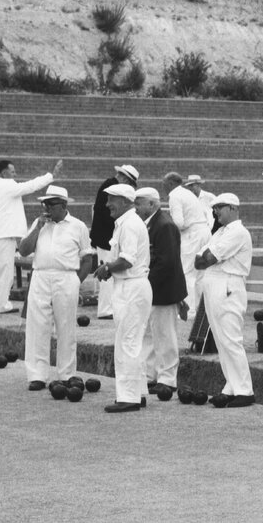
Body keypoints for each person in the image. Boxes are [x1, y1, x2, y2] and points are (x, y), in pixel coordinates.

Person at [15, 185, 93, 388]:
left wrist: (76, 281)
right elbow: (23, 250)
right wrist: (38, 227)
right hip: (40, 276)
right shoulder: (39, 223)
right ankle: (37, 375)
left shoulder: (78, 226)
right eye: (45, 203)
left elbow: (88, 259)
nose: (46, 207)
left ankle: (67, 374)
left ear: (63, 205)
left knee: (66, 326)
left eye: (51, 204)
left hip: (66, 277)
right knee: (37, 326)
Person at [0, 157, 63, 312]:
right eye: (12, 171)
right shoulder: (7, 185)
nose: (15, 174)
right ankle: (2, 305)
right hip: (3, 233)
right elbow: (30, 186)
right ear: (4, 173)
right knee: (5, 269)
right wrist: (51, 176)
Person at [95, 181, 152, 413]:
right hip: (129, 286)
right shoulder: (125, 223)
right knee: (131, 342)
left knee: (127, 343)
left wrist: (107, 268)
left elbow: (126, 260)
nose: (107, 204)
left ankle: (129, 397)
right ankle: (137, 392)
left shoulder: (129, 224)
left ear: (126, 202)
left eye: (112, 200)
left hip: (131, 286)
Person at [194, 194, 255, 406]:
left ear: (232, 207)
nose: (216, 211)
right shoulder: (219, 232)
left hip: (228, 285)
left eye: (219, 207)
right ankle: (231, 386)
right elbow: (197, 261)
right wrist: (206, 259)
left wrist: (207, 259)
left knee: (231, 339)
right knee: (221, 340)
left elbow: (208, 258)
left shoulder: (238, 232)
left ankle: (245, 390)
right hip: (214, 284)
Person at [134, 188, 187, 396]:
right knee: (149, 334)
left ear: (152, 204)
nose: (136, 208)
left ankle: (168, 378)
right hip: (152, 289)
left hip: (163, 289)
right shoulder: (148, 224)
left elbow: (167, 262)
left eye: (139, 203)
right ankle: (150, 374)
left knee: (165, 336)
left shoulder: (164, 225)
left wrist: (145, 284)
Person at [90, 162, 138, 319]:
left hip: (104, 236)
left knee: (108, 270)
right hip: (106, 237)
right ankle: (105, 309)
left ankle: (108, 307)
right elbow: (107, 215)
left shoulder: (109, 185)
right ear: (124, 179)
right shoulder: (112, 187)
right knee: (107, 271)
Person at [164, 171, 211, 322]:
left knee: (187, 273)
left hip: (192, 235)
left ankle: (190, 310)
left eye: (164, 184)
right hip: (203, 232)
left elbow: (179, 223)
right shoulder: (187, 193)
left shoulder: (175, 195)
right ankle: (200, 309)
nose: (163, 187)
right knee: (200, 274)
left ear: (171, 183)